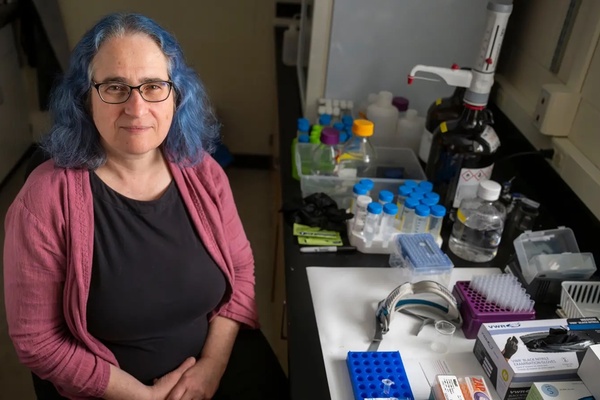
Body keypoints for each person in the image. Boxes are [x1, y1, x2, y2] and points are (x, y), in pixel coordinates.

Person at [3, 12, 288, 400]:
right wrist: (145, 397)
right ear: (85, 98)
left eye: (153, 86)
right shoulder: (43, 202)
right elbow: (38, 340)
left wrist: (211, 367)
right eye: (115, 88)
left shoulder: (203, 171)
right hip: (111, 390)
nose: (137, 109)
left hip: (211, 365)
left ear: (176, 94)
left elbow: (240, 271)